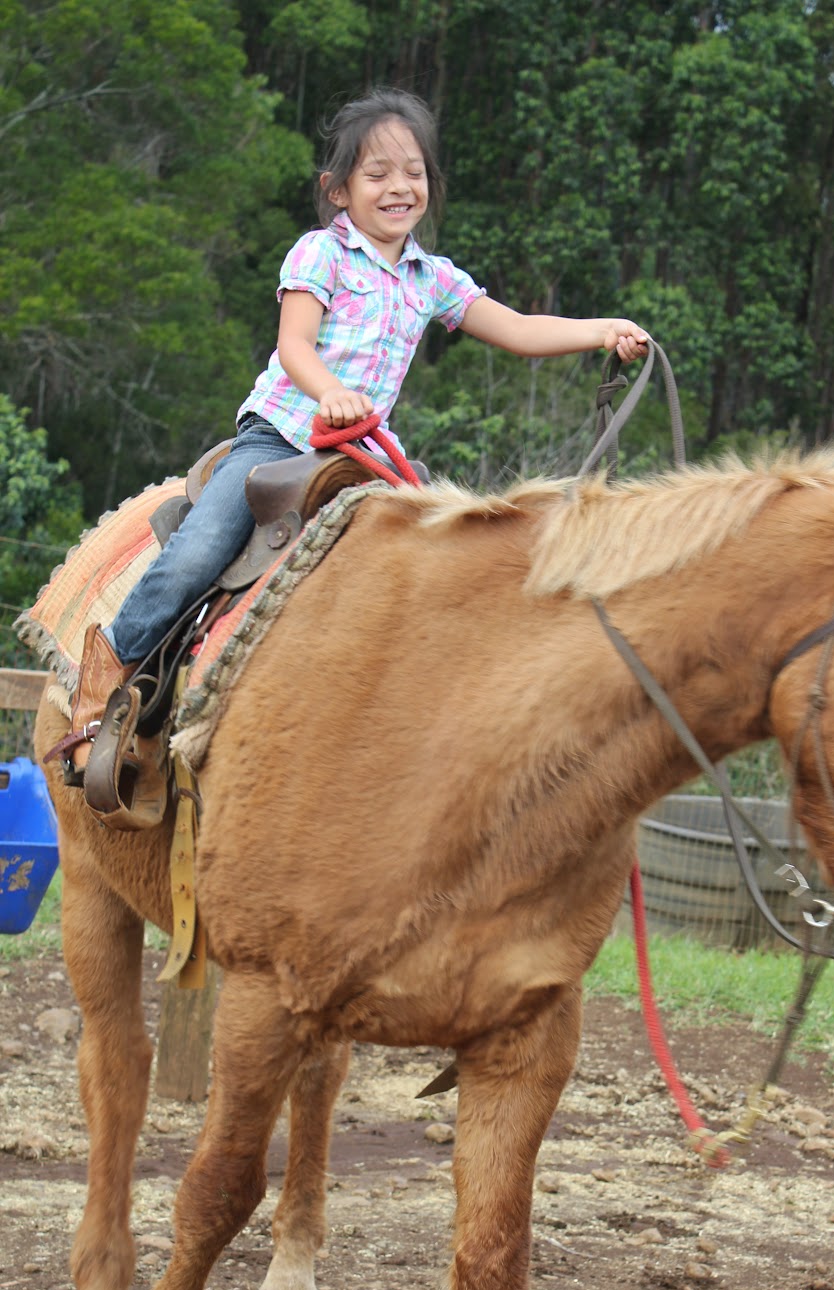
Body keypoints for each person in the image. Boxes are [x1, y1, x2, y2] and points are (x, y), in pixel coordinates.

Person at [61, 86, 649, 789]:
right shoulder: (321, 255)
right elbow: (296, 344)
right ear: (337, 190)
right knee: (198, 554)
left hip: (362, 455)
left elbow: (519, 329)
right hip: (282, 437)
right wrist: (328, 392)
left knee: (451, 557)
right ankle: (105, 683)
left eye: (413, 172)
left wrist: (602, 330)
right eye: (377, 175)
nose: (398, 187)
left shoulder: (433, 278)